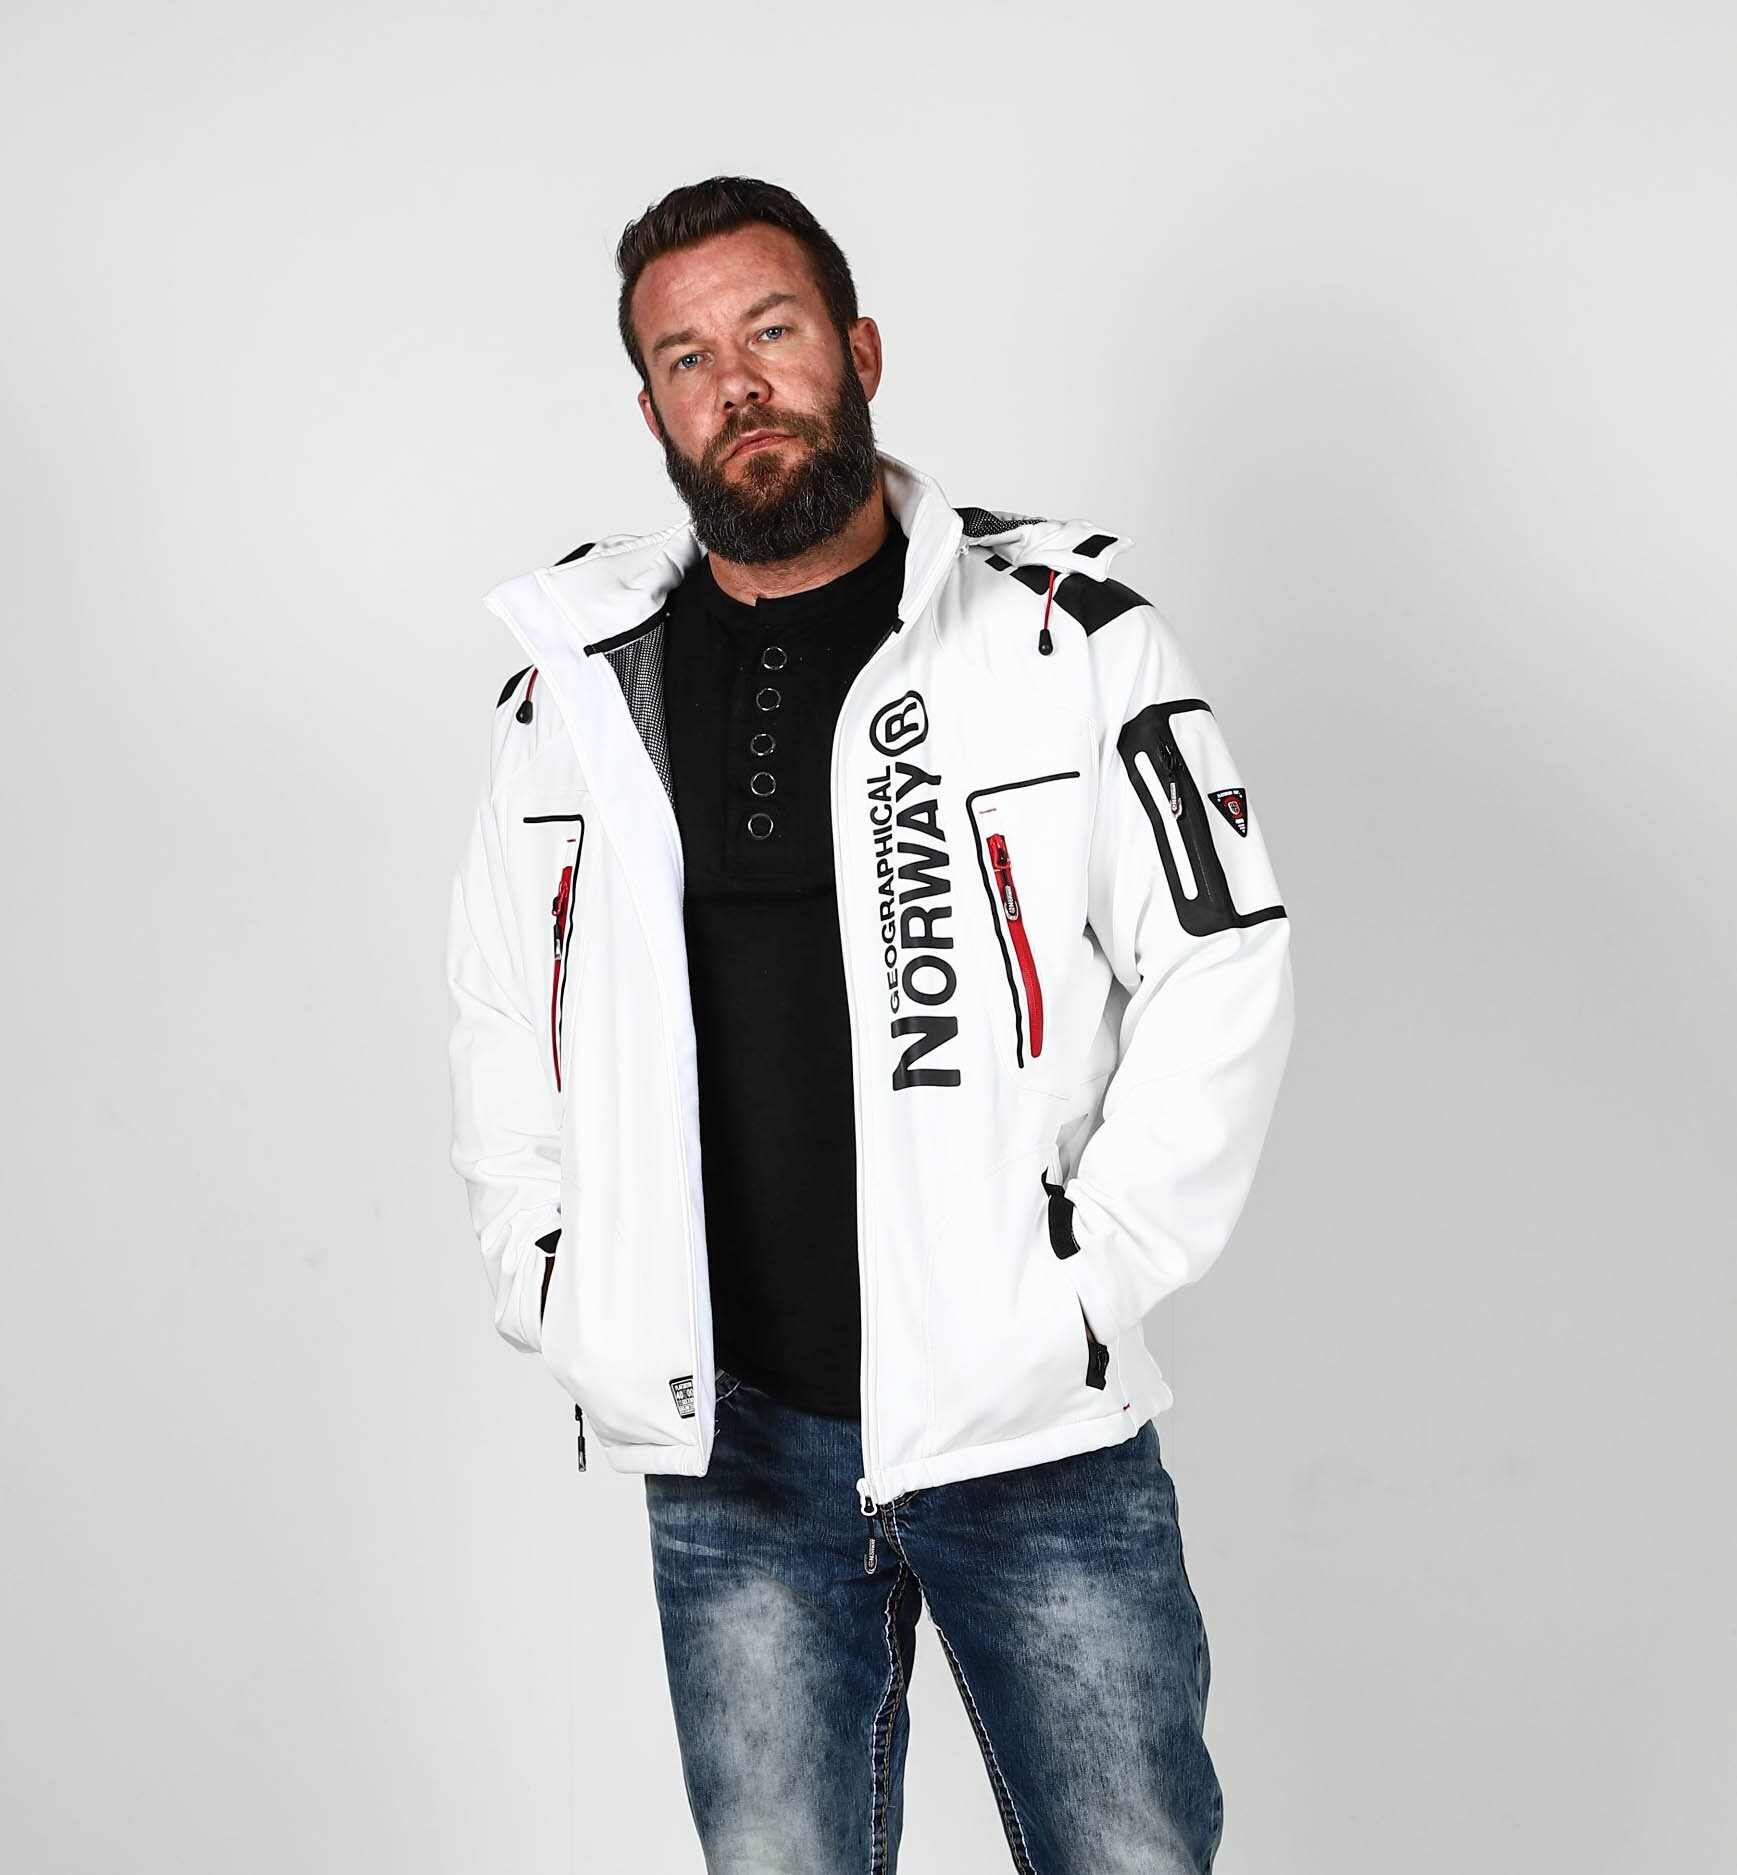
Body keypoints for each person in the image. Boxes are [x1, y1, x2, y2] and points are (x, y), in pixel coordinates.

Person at [446, 174, 1295, 1875]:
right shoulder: (575, 689)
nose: (738, 383)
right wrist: (547, 1272)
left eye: (771, 332)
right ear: (652, 411)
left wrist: (1088, 1278)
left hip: (1023, 1422)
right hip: (731, 1438)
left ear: (858, 349)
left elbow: (1221, 958)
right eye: (688, 358)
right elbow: (500, 1003)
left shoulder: (1059, 641)